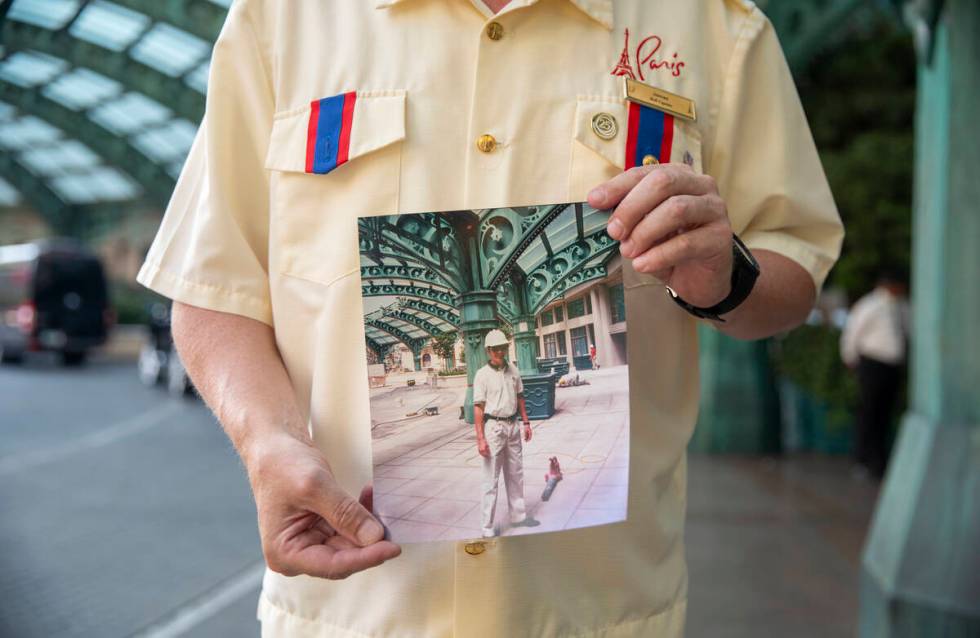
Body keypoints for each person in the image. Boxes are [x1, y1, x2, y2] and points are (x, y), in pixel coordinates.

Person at [136, 0, 844, 635]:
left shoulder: (716, 27)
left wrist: (724, 275)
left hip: (594, 613)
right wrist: (269, 443)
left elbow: (794, 271)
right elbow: (213, 294)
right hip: (357, 613)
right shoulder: (282, 20)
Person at [840, 270, 910, 479]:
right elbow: (853, 332)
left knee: (884, 412)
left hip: (892, 366)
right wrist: (850, 357)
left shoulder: (902, 306)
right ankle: (863, 459)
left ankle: (879, 460)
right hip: (872, 363)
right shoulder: (870, 305)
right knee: (868, 411)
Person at [473, 329, 539, 538]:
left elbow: (520, 397)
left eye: (504, 348)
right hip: (493, 428)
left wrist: (526, 422)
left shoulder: (513, 371)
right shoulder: (482, 375)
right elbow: (478, 408)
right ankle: (487, 526)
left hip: (513, 426)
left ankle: (518, 517)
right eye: (496, 349)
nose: (501, 352)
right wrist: (480, 438)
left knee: (516, 474)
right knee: (490, 479)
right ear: (488, 350)